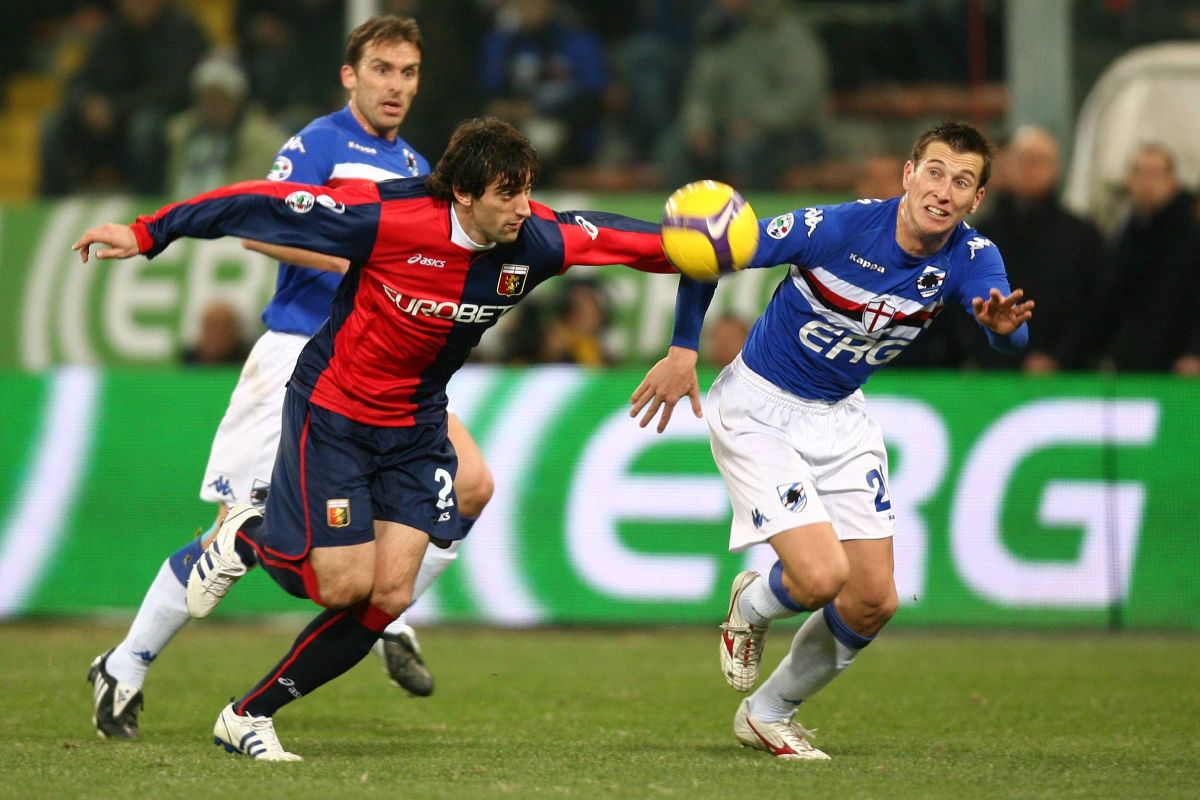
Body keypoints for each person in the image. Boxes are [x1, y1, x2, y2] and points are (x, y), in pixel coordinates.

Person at [73, 115, 676, 761]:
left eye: (529, 190)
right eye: (510, 194)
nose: (525, 209)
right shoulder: (388, 216)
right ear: (464, 195)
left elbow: (643, 243)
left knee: (388, 595)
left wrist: (727, 246)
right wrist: (147, 231)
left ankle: (249, 716)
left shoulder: (539, 240)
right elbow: (256, 205)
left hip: (416, 426)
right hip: (335, 413)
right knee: (340, 586)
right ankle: (247, 532)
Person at [82, 15, 479, 742]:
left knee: (474, 483)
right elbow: (259, 223)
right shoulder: (321, 143)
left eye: (409, 73)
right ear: (350, 75)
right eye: (383, 70)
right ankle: (126, 664)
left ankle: (386, 610)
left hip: (383, 373)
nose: (396, 86)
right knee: (229, 545)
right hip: (299, 355)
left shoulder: (422, 165)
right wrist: (355, 261)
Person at [630, 121, 1033, 760]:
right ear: (908, 174)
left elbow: (1006, 331)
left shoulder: (973, 257)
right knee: (819, 577)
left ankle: (768, 712)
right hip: (758, 409)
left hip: (841, 416)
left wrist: (1005, 330)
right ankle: (753, 604)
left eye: (962, 181)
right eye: (934, 172)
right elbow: (714, 250)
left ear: (976, 199)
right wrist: (683, 348)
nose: (944, 191)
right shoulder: (836, 228)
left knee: (874, 600)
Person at [961, 125, 1108, 372]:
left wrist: (1060, 357)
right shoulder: (978, 236)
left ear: (1057, 169)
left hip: (1067, 376)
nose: (1030, 169)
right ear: (1007, 166)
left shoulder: (1082, 236)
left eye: (1039, 161)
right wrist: (984, 356)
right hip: (990, 375)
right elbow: (960, 302)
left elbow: (1094, 307)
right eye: (1023, 160)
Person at [38, 0, 210, 196]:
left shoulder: (183, 30)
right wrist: (86, 102)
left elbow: (177, 89)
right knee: (52, 125)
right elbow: (82, 78)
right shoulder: (111, 32)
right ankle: (53, 205)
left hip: (166, 117)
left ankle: (148, 204)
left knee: (145, 126)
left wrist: (116, 108)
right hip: (111, 121)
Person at [657, 0, 830, 191]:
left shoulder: (788, 34)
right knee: (674, 148)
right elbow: (700, 91)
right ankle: (687, 214)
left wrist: (755, 122)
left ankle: (761, 216)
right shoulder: (717, 32)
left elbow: (802, 95)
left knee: (748, 150)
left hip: (787, 134)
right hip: (726, 131)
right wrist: (699, 125)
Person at [478, 0, 609, 182]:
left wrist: (540, 112)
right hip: (514, 132)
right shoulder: (500, 44)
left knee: (544, 136)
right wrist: (507, 110)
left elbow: (593, 99)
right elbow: (489, 96)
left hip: (570, 134)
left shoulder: (578, 41)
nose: (532, 8)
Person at [1102, 143, 1200, 375]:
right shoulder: (1124, 234)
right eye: (1139, 172)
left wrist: (1195, 352)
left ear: (1173, 181)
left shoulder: (1192, 237)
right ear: (1129, 181)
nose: (1147, 182)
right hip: (1131, 364)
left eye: (1155, 173)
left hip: (1179, 366)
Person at [164, 53, 289, 198]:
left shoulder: (263, 142)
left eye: (220, 99)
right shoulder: (181, 134)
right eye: (207, 99)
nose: (213, 107)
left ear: (236, 101)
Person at [181, 301, 252, 366]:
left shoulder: (249, 360)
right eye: (210, 326)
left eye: (222, 327)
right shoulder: (188, 361)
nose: (215, 334)